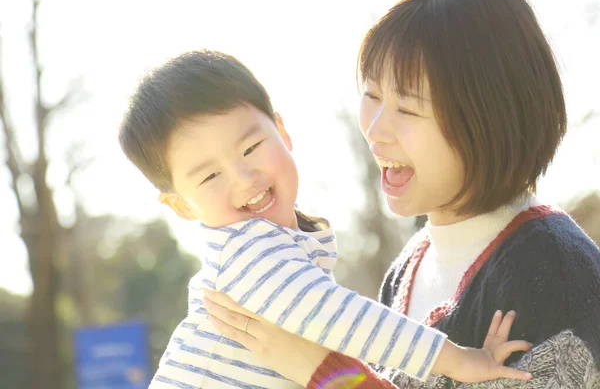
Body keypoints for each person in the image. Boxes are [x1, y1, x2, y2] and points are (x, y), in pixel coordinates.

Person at [200, 0, 600, 387]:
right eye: (371, 95)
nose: (375, 132)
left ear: (491, 119)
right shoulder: (406, 270)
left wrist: (321, 370)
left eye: (407, 109)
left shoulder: (554, 273)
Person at [118, 50, 532, 388]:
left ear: (282, 130)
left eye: (251, 148)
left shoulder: (283, 243)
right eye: (210, 176)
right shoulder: (247, 254)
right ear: (182, 206)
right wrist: (458, 360)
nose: (244, 178)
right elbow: (345, 319)